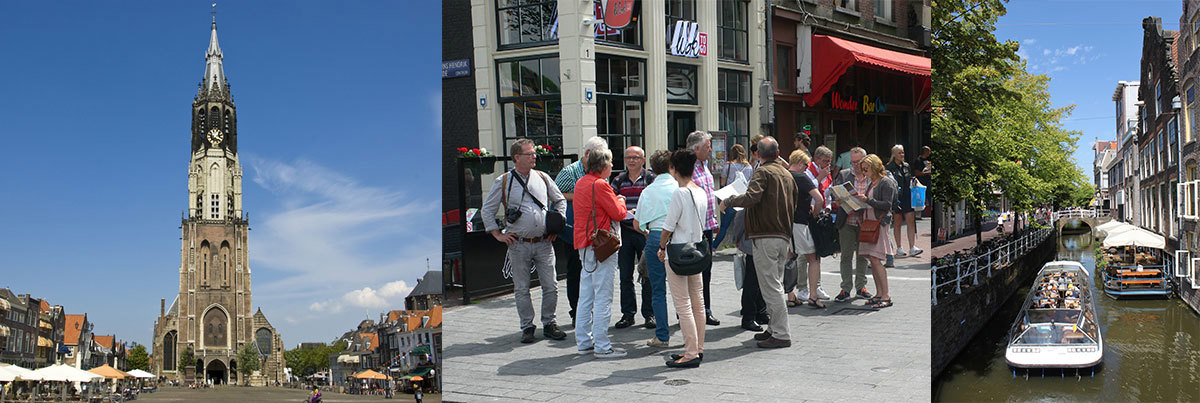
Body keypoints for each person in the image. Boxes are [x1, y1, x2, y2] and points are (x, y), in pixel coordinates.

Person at [480, 139, 569, 343]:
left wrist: (558, 222)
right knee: (522, 288)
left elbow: (560, 200)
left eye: (534, 153)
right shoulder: (503, 181)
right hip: (518, 244)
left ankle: (549, 323)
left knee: (551, 285)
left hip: (544, 242)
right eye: (529, 154)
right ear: (517, 157)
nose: (534, 156)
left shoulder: (543, 177)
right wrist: (498, 234)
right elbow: (487, 210)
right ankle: (527, 327)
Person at [721, 136, 797, 348]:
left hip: (766, 235)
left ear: (759, 154)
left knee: (770, 287)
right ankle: (773, 328)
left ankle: (781, 334)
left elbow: (751, 197)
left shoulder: (763, 172)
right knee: (776, 284)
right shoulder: (786, 173)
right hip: (782, 235)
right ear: (778, 152)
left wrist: (729, 200)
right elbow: (794, 204)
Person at [656, 149, 710, 368]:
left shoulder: (680, 193)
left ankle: (690, 352)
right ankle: (698, 348)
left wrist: (661, 247)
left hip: (678, 251)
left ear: (674, 169)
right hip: (696, 249)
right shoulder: (700, 191)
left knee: (683, 304)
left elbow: (668, 226)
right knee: (698, 302)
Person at [573, 147, 628, 358]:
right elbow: (619, 213)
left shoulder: (581, 183)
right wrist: (621, 200)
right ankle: (603, 346)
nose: (613, 166)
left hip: (584, 243)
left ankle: (584, 341)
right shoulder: (600, 185)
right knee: (603, 295)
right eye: (611, 163)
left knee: (586, 293)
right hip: (601, 245)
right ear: (603, 166)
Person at [555, 136, 610, 326]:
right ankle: (576, 311)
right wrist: (581, 195)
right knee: (574, 272)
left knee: (592, 274)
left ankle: (588, 312)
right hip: (573, 231)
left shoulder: (601, 171)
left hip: (596, 234)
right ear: (588, 154)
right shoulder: (569, 173)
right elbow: (555, 195)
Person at [635, 150, 679, 348]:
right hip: (679, 237)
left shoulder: (648, 191)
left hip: (654, 237)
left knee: (658, 289)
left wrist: (648, 231)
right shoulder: (679, 187)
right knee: (684, 290)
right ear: (671, 166)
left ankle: (662, 335)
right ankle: (690, 335)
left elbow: (638, 224)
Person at [611, 146, 656, 329]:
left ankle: (649, 314)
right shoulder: (618, 180)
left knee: (647, 274)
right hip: (626, 232)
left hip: (645, 232)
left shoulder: (651, 179)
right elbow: (611, 202)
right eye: (628, 157)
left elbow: (656, 202)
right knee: (625, 275)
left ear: (643, 160)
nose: (631, 161)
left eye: (635, 158)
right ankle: (628, 314)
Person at [686, 131, 722, 326]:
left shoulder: (704, 165)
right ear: (696, 148)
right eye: (708, 146)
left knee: (706, 270)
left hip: (707, 226)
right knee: (692, 270)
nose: (710, 150)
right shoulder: (687, 168)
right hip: (692, 228)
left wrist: (714, 220)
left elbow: (709, 194)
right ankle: (689, 310)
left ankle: (705, 308)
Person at [830, 147, 872, 302]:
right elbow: (837, 194)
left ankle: (861, 287)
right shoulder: (843, 174)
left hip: (865, 220)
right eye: (852, 162)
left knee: (863, 255)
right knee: (846, 256)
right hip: (847, 220)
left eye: (858, 162)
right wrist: (838, 199)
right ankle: (845, 289)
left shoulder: (871, 176)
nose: (854, 165)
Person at [787, 149, 827, 309]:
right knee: (813, 258)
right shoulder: (802, 178)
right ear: (798, 163)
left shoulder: (783, 175)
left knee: (790, 258)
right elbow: (819, 199)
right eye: (805, 164)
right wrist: (816, 214)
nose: (806, 168)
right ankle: (813, 295)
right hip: (801, 222)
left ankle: (791, 296)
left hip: (784, 223)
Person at [857, 154, 897, 309]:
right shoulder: (872, 183)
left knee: (876, 259)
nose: (864, 172)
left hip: (879, 223)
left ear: (874, 167)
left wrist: (867, 200)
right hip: (870, 222)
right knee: (873, 260)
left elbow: (887, 204)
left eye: (866, 169)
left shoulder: (886, 182)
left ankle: (886, 295)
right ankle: (879, 293)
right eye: (862, 169)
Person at [727, 207, 769, 331]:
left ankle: (761, 312)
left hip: (766, 242)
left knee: (763, 280)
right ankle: (749, 317)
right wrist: (737, 238)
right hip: (753, 243)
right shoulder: (752, 194)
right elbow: (740, 218)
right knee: (752, 281)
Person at [712, 144, 754, 250]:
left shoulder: (728, 166)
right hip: (743, 199)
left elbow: (723, 183)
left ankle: (714, 246)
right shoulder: (749, 167)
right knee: (742, 225)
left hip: (730, 199)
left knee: (724, 227)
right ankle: (741, 245)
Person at [887, 145, 921, 259]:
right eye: (900, 153)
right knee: (897, 222)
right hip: (897, 196)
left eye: (903, 152)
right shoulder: (890, 167)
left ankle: (912, 247)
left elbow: (910, 177)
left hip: (907, 195)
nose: (902, 155)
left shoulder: (906, 166)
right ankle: (899, 247)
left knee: (910, 221)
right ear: (894, 154)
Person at [915, 146, 932, 218]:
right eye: (929, 151)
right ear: (925, 152)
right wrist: (926, 173)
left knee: (929, 196)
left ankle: (928, 212)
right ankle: (920, 213)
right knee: (922, 197)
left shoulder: (929, 160)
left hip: (928, 181)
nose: (930, 153)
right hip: (921, 181)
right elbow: (916, 172)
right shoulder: (918, 160)